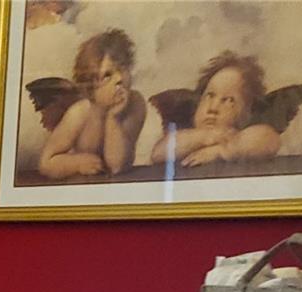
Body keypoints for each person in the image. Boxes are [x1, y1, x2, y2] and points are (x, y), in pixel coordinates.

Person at [36, 29, 145, 179]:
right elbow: (46, 163)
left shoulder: (135, 104)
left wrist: (113, 118)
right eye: (107, 75)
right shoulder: (79, 113)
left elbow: (117, 166)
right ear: (91, 85)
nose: (119, 78)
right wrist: (76, 163)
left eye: (123, 69)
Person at [150, 51, 283, 169]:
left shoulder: (242, 137)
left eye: (229, 100)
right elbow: (158, 153)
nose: (213, 108)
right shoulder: (187, 137)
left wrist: (222, 151)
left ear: (248, 112)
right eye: (209, 96)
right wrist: (206, 137)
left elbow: (269, 139)